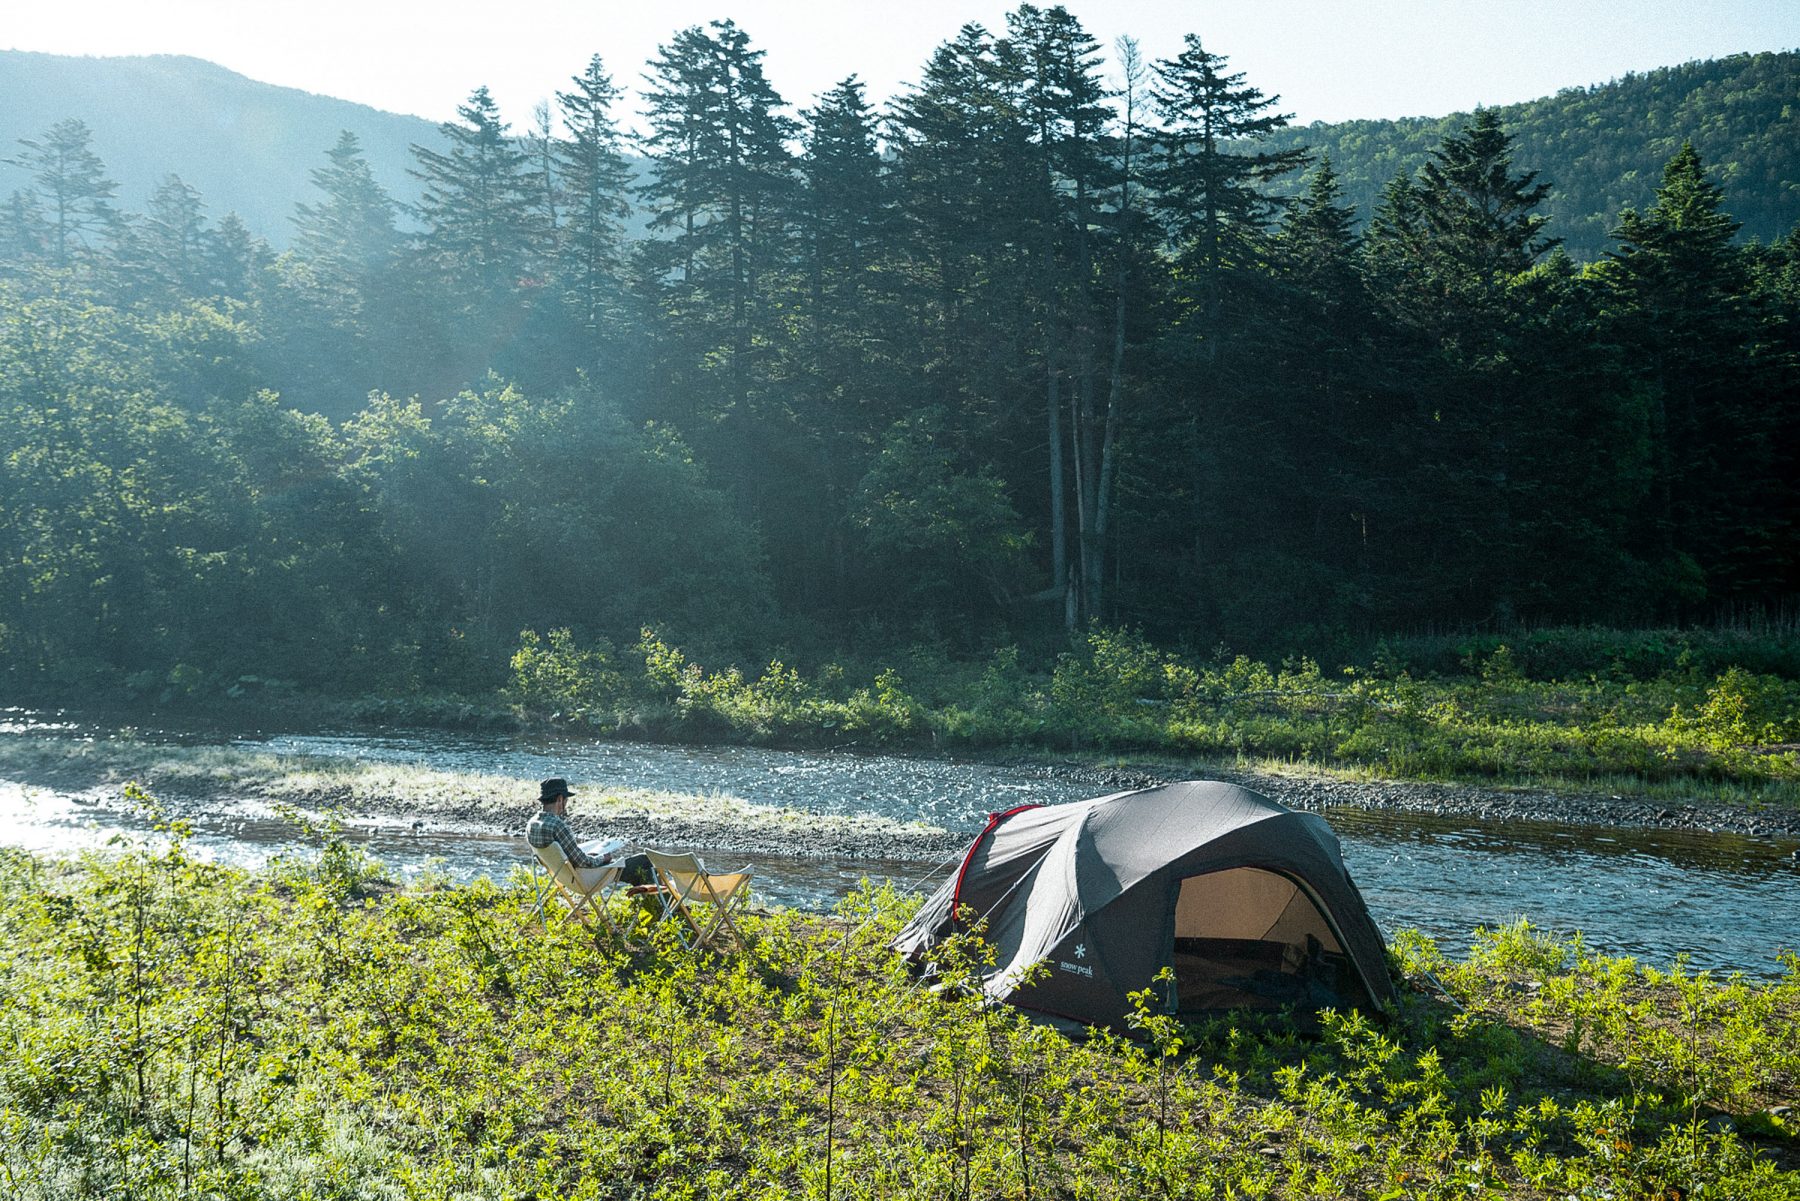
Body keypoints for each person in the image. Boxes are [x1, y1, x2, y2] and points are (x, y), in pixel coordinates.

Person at [525, 777, 655, 886]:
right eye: (566, 800)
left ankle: (654, 902)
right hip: (584, 880)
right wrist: (602, 858)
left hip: (563, 877)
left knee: (635, 870)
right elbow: (583, 862)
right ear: (560, 799)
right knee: (643, 861)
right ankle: (663, 905)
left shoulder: (531, 824)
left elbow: (566, 855)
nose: (566, 804)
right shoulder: (558, 826)